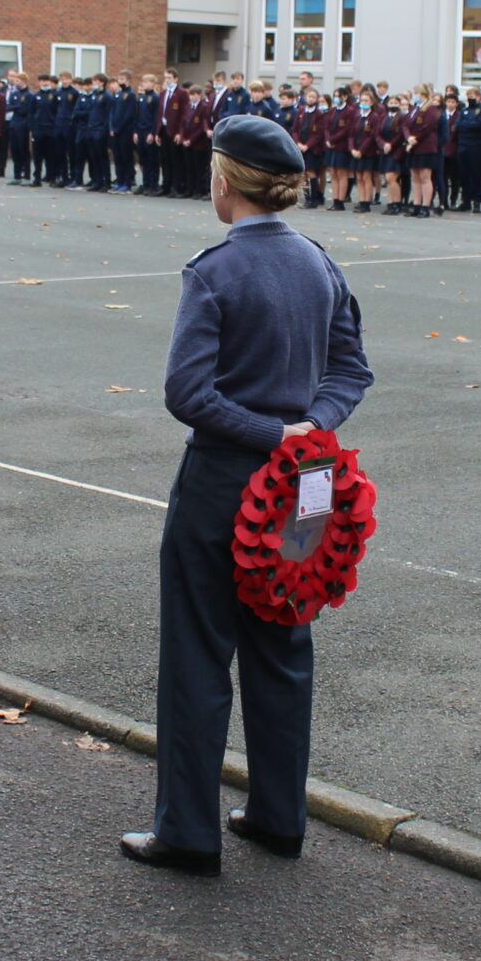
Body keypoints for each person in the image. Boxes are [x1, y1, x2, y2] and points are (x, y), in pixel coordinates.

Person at [123, 114, 372, 874]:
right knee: (283, 642)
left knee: (199, 653)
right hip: (306, 483)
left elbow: (186, 392)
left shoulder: (216, 269)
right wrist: (308, 430)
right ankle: (278, 813)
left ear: (223, 182)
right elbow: (351, 368)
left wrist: (271, 436)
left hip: (229, 477)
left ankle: (189, 830)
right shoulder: (320, 263)